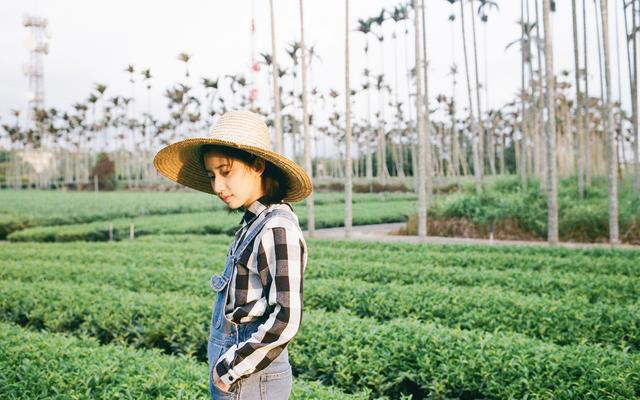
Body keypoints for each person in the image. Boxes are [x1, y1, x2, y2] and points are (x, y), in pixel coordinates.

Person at [153, 110, 312, 399]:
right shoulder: (253, 222)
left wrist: (227, 370)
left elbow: (286, 318)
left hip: (250, 379)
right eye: (212, 175)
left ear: (258, 165)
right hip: (242, 376)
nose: (217, 186)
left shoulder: (276, 228)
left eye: (225, 171)